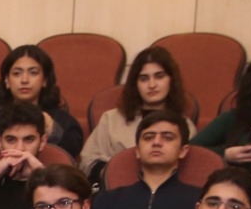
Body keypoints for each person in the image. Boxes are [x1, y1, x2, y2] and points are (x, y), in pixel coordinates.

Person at [87, 110, 201, 209]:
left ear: (183, 150)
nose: (156, 142)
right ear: (137, 151)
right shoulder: (107, 200)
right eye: (148, 137)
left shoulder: (200, 200)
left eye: (168, 137)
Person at [0, 44, 83, 164]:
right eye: (17, 73)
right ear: (7, 81)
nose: (24, 80)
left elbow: (68, 162)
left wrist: (53, 131)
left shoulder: (64, 123)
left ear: (45, 80)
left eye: (33, 73)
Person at [80, 46, 196, 175]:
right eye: (144, 79)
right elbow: (88, 162)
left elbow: (190, 170)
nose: (152, 85)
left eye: (159, 76)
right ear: (135, 84)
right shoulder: (111, 119)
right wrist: (116, 174)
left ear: (171, 80)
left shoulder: (185, 125)